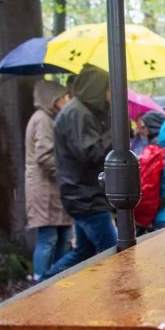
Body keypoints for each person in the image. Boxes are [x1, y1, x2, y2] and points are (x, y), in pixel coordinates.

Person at [45, 65, 118, 279]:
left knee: (83, 252)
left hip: (82, 193)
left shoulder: (82, 111)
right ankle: (43, 287)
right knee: (112, 252)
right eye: (107, 89)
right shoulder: (77, 113)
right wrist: (115, 131)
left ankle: (45, 286)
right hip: (85, 196)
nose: (109, 95)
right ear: (97, 89)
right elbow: (90, 152)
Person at [24, 80, 73, 282]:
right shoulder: (42, 119)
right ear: (51, 100)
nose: (65, 101)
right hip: (44, 188)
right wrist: (67, 173)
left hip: (54, 187)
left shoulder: (51, 119)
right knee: (48, 237)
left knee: (63, 236)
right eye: (61, 97)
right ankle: (39, 281)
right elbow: (44, 156)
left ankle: (56, 279)